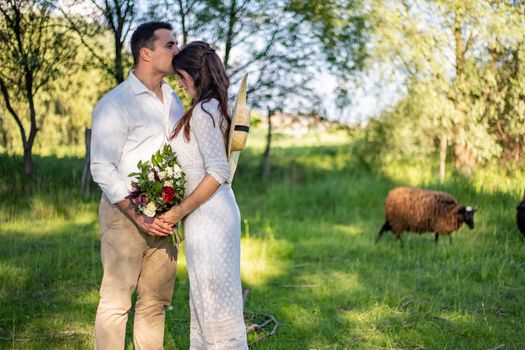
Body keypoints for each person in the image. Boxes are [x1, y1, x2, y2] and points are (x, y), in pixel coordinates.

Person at [90, 22, 184, 350]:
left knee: (154, 303)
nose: (177, 51)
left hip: (165, 217)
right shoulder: (115, 104)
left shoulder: (175, 101)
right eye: (170, 45)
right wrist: (137, 214)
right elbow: (101, 167)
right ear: (146, 52)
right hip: (124, 213)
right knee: (116, 303)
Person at [161, 41, 248, 349]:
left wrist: (177, 211)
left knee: (213, 296)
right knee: (209, 297)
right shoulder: (213, 107)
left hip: (209, 216)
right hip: (212, 213)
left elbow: (218, 171)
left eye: (182, 77)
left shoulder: (203, 111)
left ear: (196, 74)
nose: (180, 84)